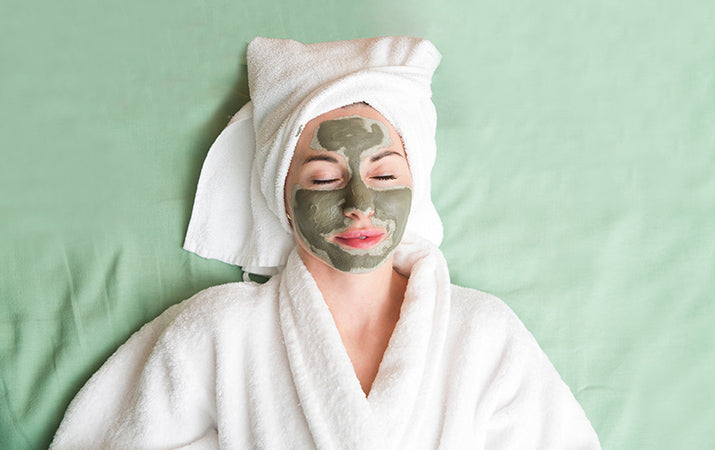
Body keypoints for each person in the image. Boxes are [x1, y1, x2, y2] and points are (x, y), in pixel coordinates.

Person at [51, 37, 601, 449]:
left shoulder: (484, 334)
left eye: (384, 176)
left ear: (415, 188)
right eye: (322, 178)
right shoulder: (219, 331)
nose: (358, 202)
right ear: (281, 198)